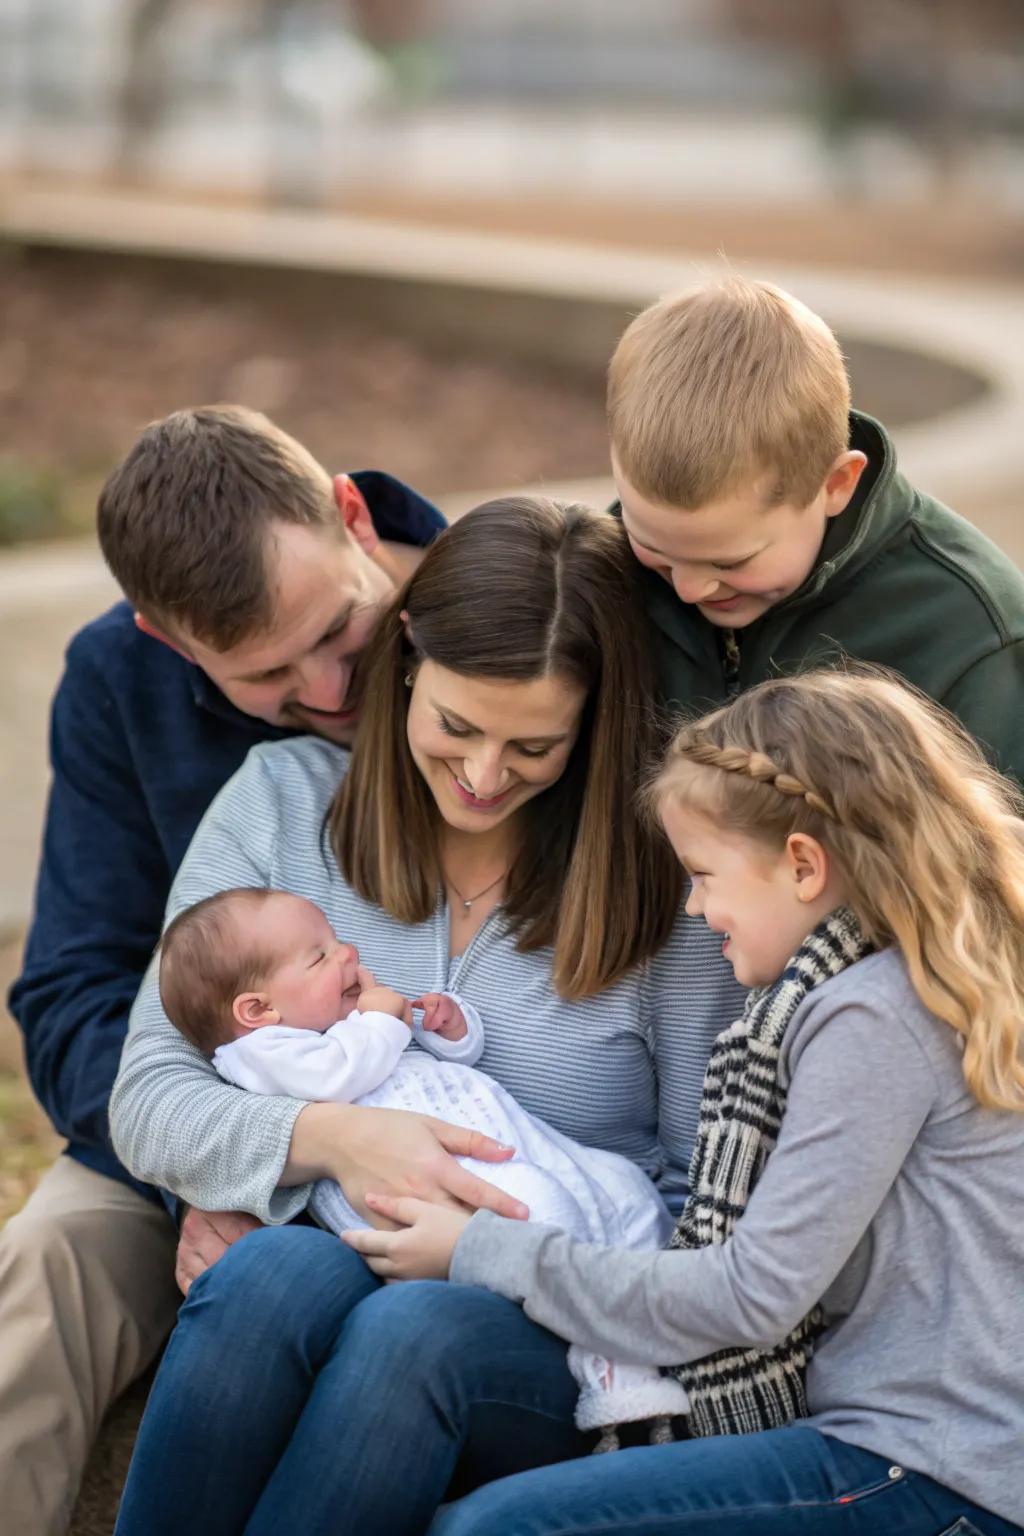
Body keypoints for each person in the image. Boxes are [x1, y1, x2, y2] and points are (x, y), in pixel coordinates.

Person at [110, 495, 743, 1536]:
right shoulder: (280, 804)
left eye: (534, 745)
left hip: (563, 1338)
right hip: (334, 1255)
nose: (485, 776)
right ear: (403, 664)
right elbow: (150, 1097)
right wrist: (334, 1138)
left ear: (593, 723)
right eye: (455, 726)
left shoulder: (663, 886)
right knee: (264, 1274)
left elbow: (698, 1200)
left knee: (412, 1335)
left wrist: (500, 1255)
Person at [356, 668, 1024, 1536]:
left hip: (935, 1471)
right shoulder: (927, 984)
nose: (696, 906)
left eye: (703, 875)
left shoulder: (871, 1012)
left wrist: (484, 1248)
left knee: (493, 1530)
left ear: (803, 865)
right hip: (933, 1453)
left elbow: (749, 1297)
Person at [2, 404, 447, 1535]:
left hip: (436, 1105)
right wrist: (206, 1173)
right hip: (191, 1132)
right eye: (267, 676)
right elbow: (71, 995)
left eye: (341, 633)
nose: (335, 691)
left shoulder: (497, 608)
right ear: (166, 636)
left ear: (352, 516)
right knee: (41, 1277)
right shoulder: (115, 683)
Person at [159, 886, 691, 1437]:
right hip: (447, 1197)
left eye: (338, 941)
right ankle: (611, 1373)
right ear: (257, 1010)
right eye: (320, 955)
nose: (348, 954)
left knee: (625, 1188)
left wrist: (448, 1027)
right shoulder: (261, 1056)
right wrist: (384, 1020)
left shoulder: (344, 1024)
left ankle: (656, 1326)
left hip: (513, 1151)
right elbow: (338, 1075)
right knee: (548, 1215)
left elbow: (427, 1057)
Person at [606, 273, 1024, 778]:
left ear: (837, 485)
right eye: (656, 548)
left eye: (731, 561)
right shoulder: (595, 574)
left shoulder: (969, 633)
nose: (691, 589)